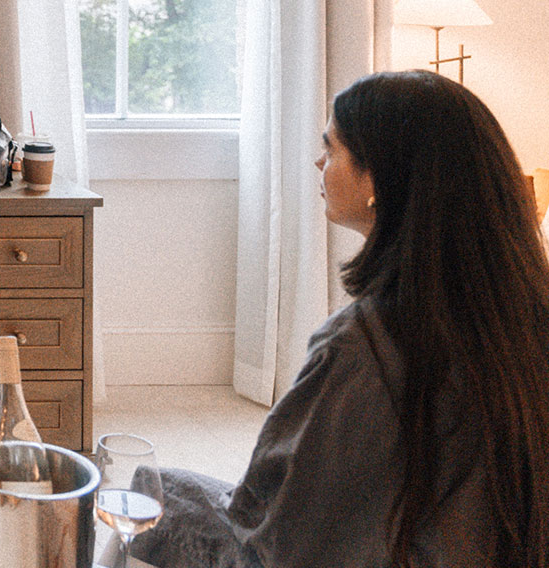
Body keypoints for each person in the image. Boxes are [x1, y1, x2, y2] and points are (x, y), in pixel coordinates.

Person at [131, 70, 549, 568]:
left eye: (332, 148)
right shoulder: (524, 315)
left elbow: (278, 530)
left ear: (380, 179)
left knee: (149, 496)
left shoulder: (364, 344)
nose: (318, 161)